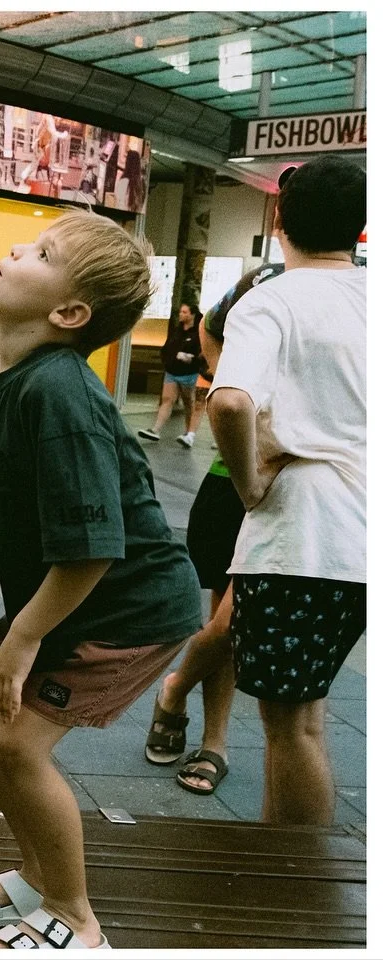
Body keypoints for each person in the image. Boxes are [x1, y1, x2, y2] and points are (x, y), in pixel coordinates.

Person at [0, 211, 200, 949]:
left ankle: (76, 921)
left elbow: (92, 549)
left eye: (42, 253)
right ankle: (39, 876)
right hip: (62, 604)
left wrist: (22, 637)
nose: (16, 249)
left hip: (128, 609)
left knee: (17, 743)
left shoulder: (63, 393)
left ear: (69, 313)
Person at [207, 157, 365, 827]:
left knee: (289, 728)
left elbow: (231, 402)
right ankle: (299, 877)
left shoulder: (273, 298)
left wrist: (247, 484)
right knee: (309, 719)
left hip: (301, 542)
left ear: (278, 219)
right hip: (360, 538)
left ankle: (291, 885)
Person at [143, 263, 285, 795]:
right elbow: (209, 324)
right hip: (235, 484)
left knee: (232, 625)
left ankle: (180, 695)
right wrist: (232, 377)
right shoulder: (265, 279)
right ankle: (207, 732)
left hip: (300, 492)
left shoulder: (354, 294)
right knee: (224, 624)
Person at [137, 301, 205, 447]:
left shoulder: (198, 333)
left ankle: (189, 433)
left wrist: (190, 358)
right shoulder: (177, 330)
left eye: (185, 312)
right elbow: (168, 347)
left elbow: (201, 353)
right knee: (167, 399)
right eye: (181, 312)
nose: (181, 314)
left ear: (192, 314)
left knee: (189, 403)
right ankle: (155, 429)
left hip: (189, 373)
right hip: (172, 371)